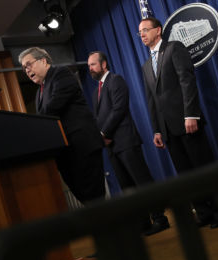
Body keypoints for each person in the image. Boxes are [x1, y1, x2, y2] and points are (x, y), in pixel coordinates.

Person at [139, 17, 218, 228]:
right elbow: (151, 100)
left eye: (145, 30)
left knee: (204, 169)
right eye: (140, 32)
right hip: (167, 130)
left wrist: (191, 114)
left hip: (187, 122)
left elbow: (187, 80)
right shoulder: (146, 65)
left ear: (158, 31)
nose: (142, 34)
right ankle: (203, 213)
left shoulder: (174, 48)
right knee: (186, 176)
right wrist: (157, 129)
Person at [87, 51, 169, 235]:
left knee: (142, 182)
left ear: (104, 64)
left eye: (93, 64)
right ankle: (142, 222)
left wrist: (104, 132)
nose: (90, 69)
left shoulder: (115, 80)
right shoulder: (95, 91)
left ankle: (160, 218)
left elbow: (119, 109)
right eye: (89, 66)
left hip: (125, 140)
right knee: (127, 186)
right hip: (111, 146)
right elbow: (99, 117)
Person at [18, 47, 105, 205]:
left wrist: (30, 126)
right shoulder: (39, 93)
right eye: (24, 68)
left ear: (43, 61)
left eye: (28, 64)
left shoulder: (61, 74)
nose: (26, 70)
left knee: (95, 198)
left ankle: (117, 228)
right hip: (66, 154)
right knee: (86, 200)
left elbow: (52, 108)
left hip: (82, 147)